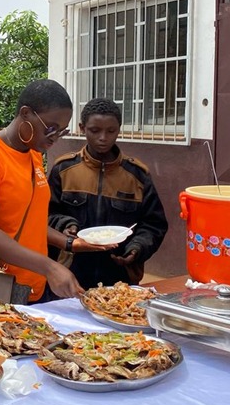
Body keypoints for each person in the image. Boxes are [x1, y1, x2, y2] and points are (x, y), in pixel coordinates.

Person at [0, 79, 81, 302]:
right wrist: (50, 267)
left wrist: (69, 243)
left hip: (29, 287)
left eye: (61, 131)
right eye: (50, 128)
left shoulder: (31, 154)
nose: (54, 137)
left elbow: (27, 220)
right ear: (25, 113)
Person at [47, 98, 168, 289]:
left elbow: (154, 224)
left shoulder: (137, 175)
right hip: (71, 272)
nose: (103, 137)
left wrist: (137, 248)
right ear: (82, 128)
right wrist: (65, 225)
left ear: (119, 129)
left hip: (120, 274)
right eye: (95, 130)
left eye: (111, 131)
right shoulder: (63, 169)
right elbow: (46, 214)